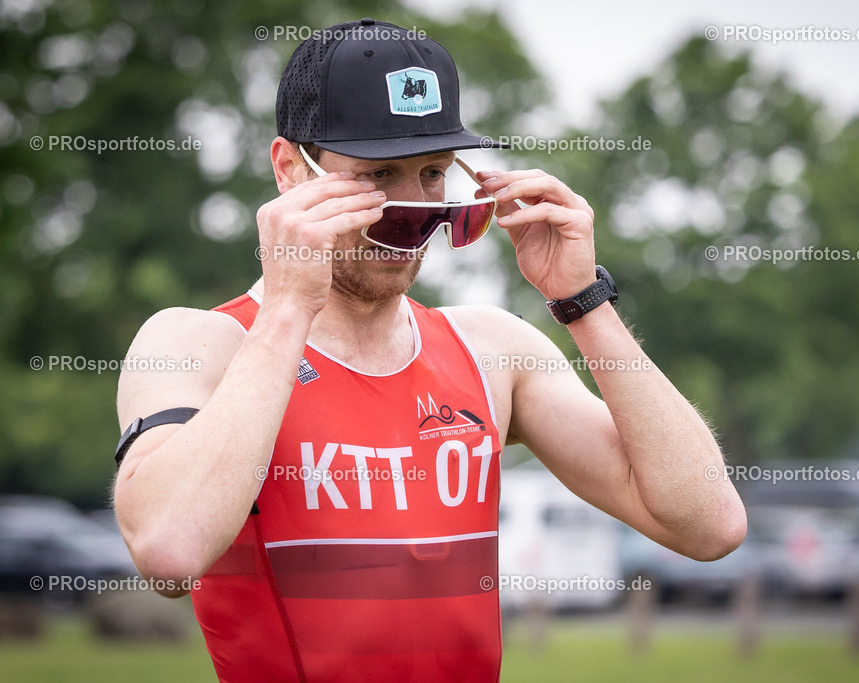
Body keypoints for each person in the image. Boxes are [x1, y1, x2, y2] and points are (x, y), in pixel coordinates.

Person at [112, 18, 746, 682]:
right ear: (288, 170)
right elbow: (169, 549)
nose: (415, 211)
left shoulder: (492, 351)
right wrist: (289, 306)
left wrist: (582, 300)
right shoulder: (199, 343)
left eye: (434, 172)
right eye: (380, 173)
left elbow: (709, 522)